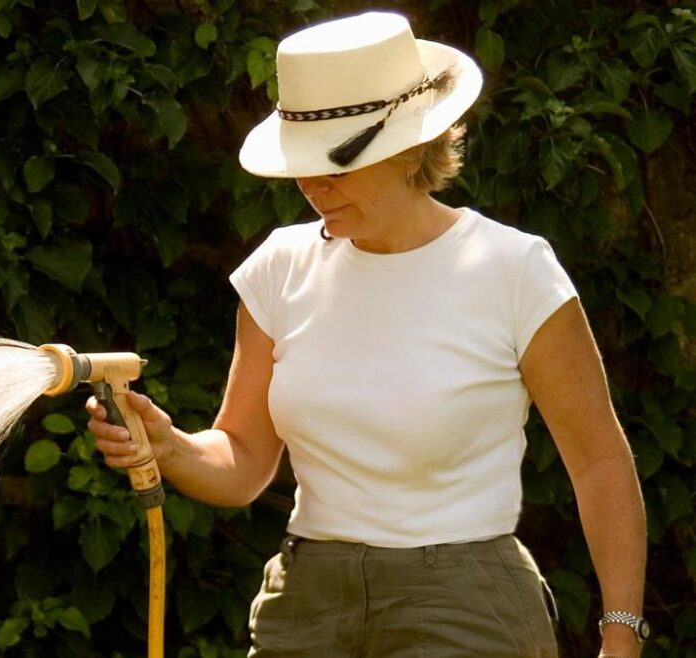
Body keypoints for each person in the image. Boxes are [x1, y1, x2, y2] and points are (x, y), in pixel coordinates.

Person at [84, 11, 647, 658]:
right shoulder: (279, 269)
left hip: (466, 605)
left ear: (411, 147)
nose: (315, 187)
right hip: (305, 604)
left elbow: (599, 460)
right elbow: (242, 461)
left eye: (339, 167)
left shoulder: (514, 270)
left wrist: (620, 636)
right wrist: (170, 446)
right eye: (303, 164)